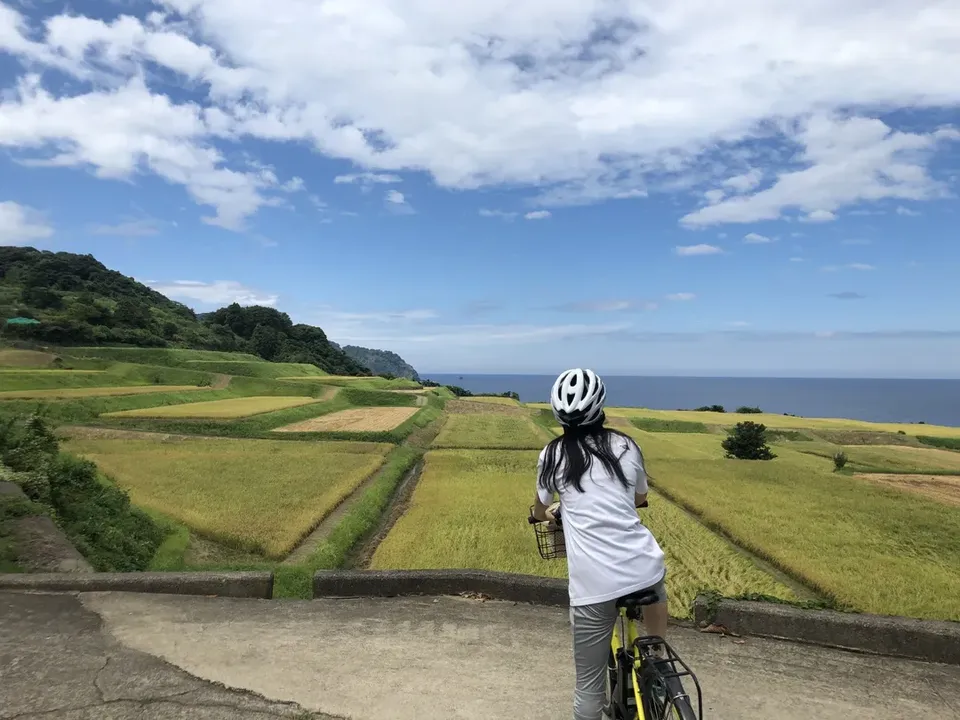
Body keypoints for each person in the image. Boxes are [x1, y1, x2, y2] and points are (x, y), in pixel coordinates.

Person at [531, 368, 668, 720]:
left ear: (558, 414)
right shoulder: (625, 445)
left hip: (595, 586)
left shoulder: (553, 454)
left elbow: (540, 508)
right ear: (601, 408)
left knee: (588, 687)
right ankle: (657, 660)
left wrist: (551, 516)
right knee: (655, 634)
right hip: (646, 566)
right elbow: (639, 497)